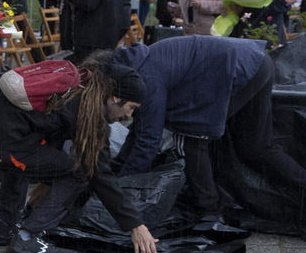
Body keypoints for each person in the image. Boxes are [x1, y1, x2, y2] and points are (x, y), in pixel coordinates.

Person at [0, 57, 158, 253]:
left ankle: (4, 226)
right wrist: (135, 225)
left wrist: (46, 182)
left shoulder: (76, 87)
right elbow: (98, 171)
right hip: (1, 145)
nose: (128, 115)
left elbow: (48, 138)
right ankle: (28, 238)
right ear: (114, 98)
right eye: (131, 107)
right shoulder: (87, 109)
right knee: (80, 171)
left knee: (27, 155)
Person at [113, 37, 306, 223]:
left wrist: (119, 190)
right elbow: (140, 128)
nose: (125, 116)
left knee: (192, 140)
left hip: (237, 68)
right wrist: (118, 165)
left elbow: (148, 143)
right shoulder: (137, 64)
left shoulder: (147, 81)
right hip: (257, 63)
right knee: (257, 148)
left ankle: (210, 212)